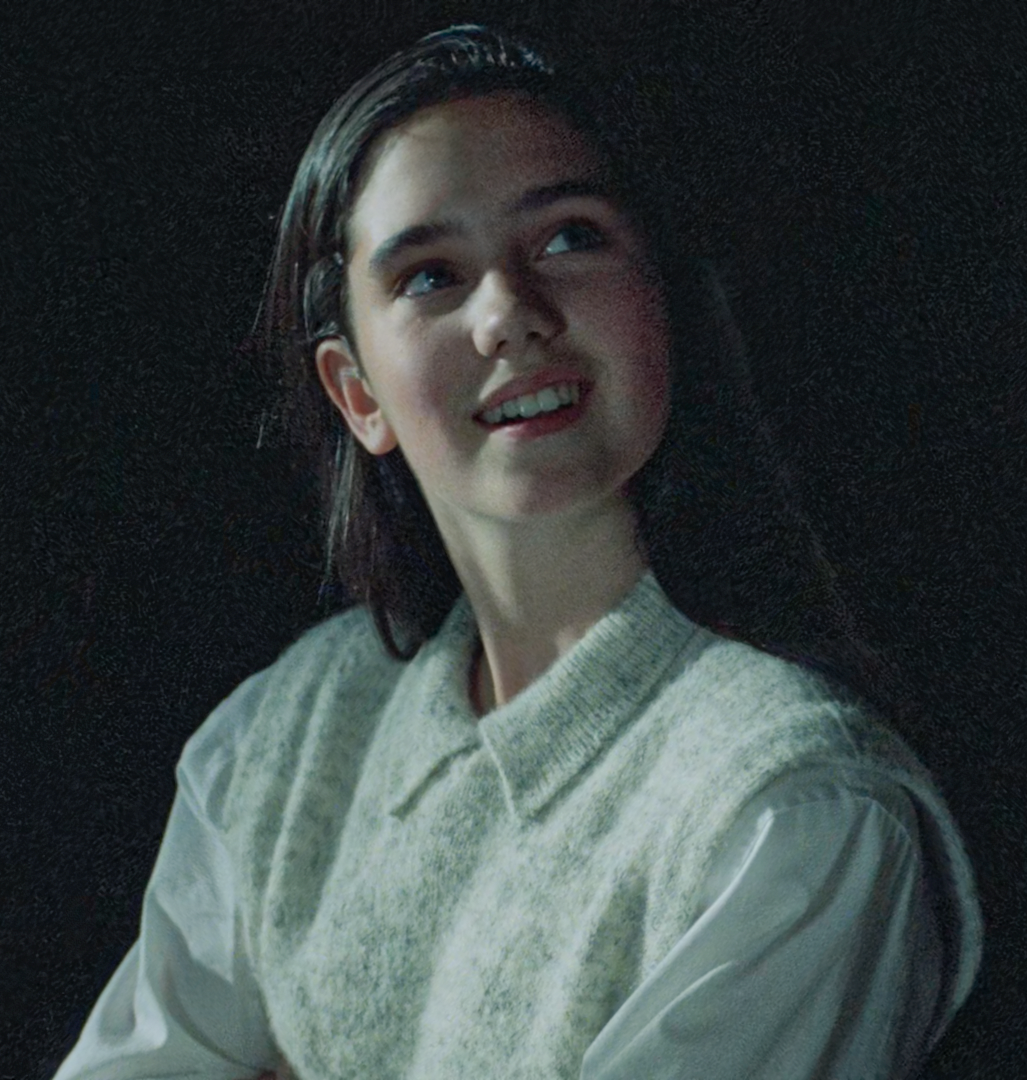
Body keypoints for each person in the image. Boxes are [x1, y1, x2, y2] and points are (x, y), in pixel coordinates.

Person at [53, 23, 982, 1080]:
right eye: (429, 277)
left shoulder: (793, 807)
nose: (509, 315)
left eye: (568, 238)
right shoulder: (284, 737)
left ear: (661, 301)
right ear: (356, 395)